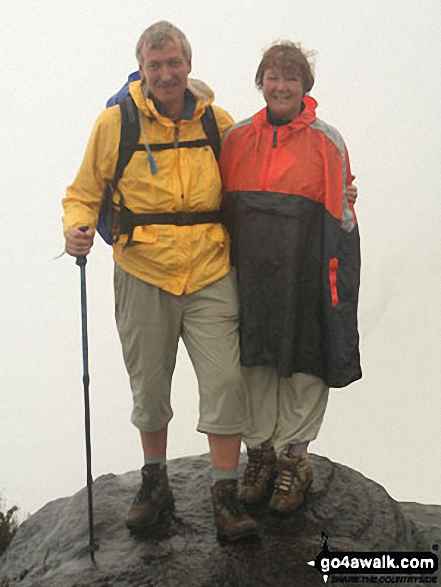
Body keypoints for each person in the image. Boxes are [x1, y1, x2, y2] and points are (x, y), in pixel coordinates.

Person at [62, 20, 258, 543]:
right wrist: (76, 229)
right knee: (149, 386)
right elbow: (83, 191)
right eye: (156, 66)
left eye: (174, 64)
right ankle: (155, 484)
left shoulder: (217, 122)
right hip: (142, 268)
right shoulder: (116, 123)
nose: (166, 75)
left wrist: (338, 196)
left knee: (225, 382)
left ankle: (225, 496)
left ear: (189, 66)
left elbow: (255, 181)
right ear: (142, 69)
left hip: (211, 268)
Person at [219, 41, 361, 514]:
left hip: (305, 274)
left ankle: (294, 460)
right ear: (261, 83)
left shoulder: (327, 141)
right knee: (252, 361)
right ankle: (259, 455)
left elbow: (342, 220)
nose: (281, 86)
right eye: (273, 77)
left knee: (305, 360)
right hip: (251, 274)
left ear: (305, 85)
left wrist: (335, 286)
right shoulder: (236, 139)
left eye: (291, 78)